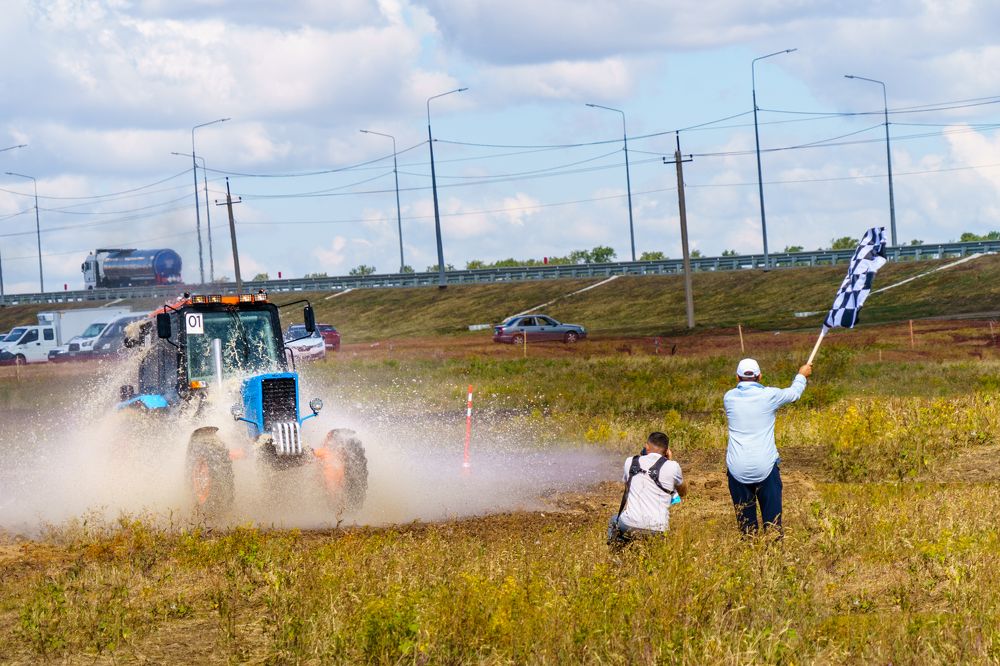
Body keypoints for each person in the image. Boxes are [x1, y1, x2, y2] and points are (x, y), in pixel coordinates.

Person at [723, 358, 812, 535]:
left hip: (736, 468)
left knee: (746, 527)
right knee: (772, 524)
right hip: (765, 466)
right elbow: (794, 394)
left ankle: (750, 553)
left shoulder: (729, 397)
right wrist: (802, 375)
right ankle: (773, 554)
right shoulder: (769, 395)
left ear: (737, 377)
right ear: (760, 376)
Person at [607, 432, 687, 544]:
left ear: (647, 446)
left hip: (629, 525)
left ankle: (616, 555)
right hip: (658, 529)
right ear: (667, 450)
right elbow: (683, 492)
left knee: (614, 520)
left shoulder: (630, 462)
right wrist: (667, 461)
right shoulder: (673, 466)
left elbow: (628, 487)